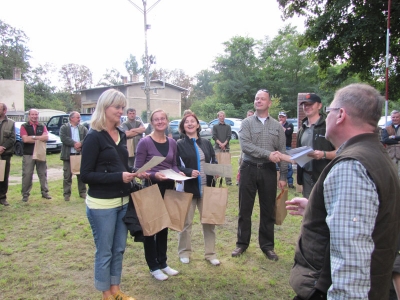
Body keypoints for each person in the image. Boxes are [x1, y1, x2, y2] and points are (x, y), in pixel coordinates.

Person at [286, 83, 400, 300]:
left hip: (329, 290)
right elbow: (369, 219)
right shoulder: (375, 154)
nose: (327, 117)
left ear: (341, 116)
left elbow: (351, 259)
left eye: (329, 111)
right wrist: (318, 208)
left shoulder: (353, 165)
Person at [81, 89, 147, 300]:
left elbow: (117, 165)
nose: (121, 111)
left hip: (122, 201)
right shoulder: (94, 137)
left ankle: (116, 290)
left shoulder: (119, 135)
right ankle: (106, 295)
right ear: (105, 107)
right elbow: (86, 175)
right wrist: (119, 176)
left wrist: (134, 172)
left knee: (118, 249)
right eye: (117, 107)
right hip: (102, 205)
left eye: (122, 107)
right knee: (105, 251)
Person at [232, 89, 287, 261]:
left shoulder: (277, 127)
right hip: (248, 169)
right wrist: (268, 154)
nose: (259, 101)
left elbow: (282, 151)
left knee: (268, 210)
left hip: (269, 171)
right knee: (244, 209)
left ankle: (267, 246)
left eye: (263, 99)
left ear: (269, 103)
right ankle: (242, 244)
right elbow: (245, 146)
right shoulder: (247, 123)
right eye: (256, 98)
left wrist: (283, 176)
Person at [135, 108, 181, 281]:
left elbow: (174, 164)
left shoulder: (172, 142)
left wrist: (179, 173)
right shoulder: (144, 142)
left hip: (169, 186)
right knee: (151, 228)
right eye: (156, 119)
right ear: (152, 123)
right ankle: (153, 266)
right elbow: (137, 170)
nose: (160, 121)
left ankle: (163, 262)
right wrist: (154, 175)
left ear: (167, 121)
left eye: (163, 118)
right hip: (151, 187)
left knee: (163, 226)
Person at [176, 113, 220, 266]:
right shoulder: (179, 144)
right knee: (185, 223)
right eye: (186, 122)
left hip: (206, 188)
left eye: (192, 121)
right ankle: (184, 252)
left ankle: (210, 254)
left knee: (209, 222)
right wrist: (188, 171)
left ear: (198, 125)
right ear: (183, 126)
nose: (190, 124)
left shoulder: (206, 143)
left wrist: (215, 170)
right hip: (188, 188)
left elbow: (213, 160)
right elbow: (176, 165)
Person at [296, 93, 336, 198]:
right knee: (307, 211)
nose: (307, 107)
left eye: (311, 104)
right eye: (305, 105)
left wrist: (323, 154)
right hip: (307, 177)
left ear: (319, 106)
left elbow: (342, 151)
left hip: (325, 177)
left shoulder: (329, 126)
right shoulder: (302, 129)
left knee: (324, 211)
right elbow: (298, 156)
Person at [20, 109, 51, 202]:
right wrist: (39, 138)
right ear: (29, 115)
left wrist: (33, 137)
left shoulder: (42, 126)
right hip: (28, 153)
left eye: (36, 114)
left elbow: (46, 137)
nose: (34, 116)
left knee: (43, 173)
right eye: (32, 114)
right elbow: (25, 140)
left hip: (40, 152)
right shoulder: (24, 126)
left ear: (38, 115)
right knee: (27, 174)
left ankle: (45, 192)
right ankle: (25, 194)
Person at [59, 111, 88, 201]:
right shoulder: (64, 127)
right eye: (78, 117)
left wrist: (81, 144)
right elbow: (63, 138)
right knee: (67, 176)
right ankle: (66, 194)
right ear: (71, 118)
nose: (79, 119)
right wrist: (74, 144)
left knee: (81, 175)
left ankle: (82, 192)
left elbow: (88, 138)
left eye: (79, 117)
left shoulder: (83, 128)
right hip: (68, 155)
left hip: (79, 155)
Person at [0, 103, 15, 206]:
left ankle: (2, 197)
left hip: (4, 154)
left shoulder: (11, 123)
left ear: (4, 111)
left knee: (3, 177)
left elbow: (12, 138)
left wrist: (2, 147)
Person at [212, 111, 232, 185]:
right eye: (220, 116)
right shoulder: (215, 126)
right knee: (217, 164)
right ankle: (214, 179)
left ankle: (228, 182)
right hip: (217, 147)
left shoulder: (228, 126)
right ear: (218, 117)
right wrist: (220, 144)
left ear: (224, 117)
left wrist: (224, 144)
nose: (222, 117)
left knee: (227, 164)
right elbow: (214, 136)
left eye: (223, 116)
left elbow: (229, 136)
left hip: (226, 148)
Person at [236, 110, 254, 185]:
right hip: (244, 149)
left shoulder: (256, 125)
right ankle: (239, 180)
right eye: (248, 115)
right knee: (241, 164)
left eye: (251, 115)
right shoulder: (244, 124)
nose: (249, 116)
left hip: (253, 149)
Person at [278, 111, 295, 188]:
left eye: (283, 117)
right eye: (280, 117)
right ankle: (280, 181)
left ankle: (290, 182)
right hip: (279, 147)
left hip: (287, 146)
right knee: (278, 165)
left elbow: (288, 133)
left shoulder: (290, 125)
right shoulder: (276, 125)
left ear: (286, 118)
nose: (281, 118)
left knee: (289, 165)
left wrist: (281, 126)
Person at [381, 110, 400, 178]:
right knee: (392, 175)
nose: (395, 119)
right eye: (393, 117)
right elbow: (385, 140)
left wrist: (393, 137)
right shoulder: (387, 128)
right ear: (391, 118)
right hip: (390, 154)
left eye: (397, 117)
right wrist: (398, 141)